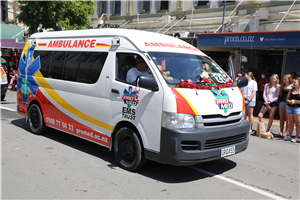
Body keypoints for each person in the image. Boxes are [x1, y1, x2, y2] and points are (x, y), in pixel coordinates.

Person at [284, 77, 300, 142]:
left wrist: (295, 101)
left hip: (298, 107)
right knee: (290, 122)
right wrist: (289, 101)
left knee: (298, 123)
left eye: (294, 82)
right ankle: (289, 136)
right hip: (290, 107)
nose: (293, 83)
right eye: (293, 82)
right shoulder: (291, 90)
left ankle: (296, 137)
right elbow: (287, 99)